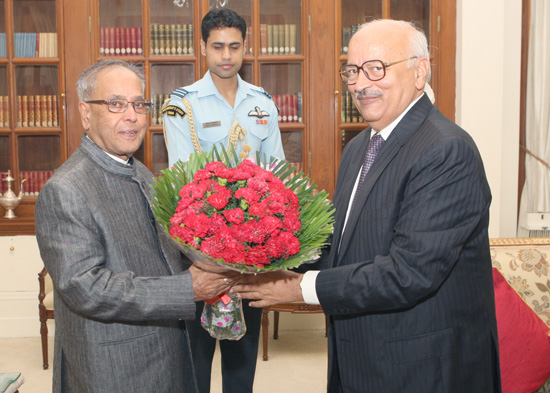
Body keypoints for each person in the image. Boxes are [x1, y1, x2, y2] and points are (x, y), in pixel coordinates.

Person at [233, 19, 501, 393]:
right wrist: (259, 256)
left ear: (419, 71)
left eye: (376, 68)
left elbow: (409, 273)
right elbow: (341, 245)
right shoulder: (359, 147)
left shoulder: (445, 150)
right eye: (353, 71)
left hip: (425, 367)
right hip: (359, 355)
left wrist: (301, 288)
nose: (360, 84)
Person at [35, 59, 239, 393]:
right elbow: (87, 288)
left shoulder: (140, 171)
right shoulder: (66, 190)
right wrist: (188, 289)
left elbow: (167, 247)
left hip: (166, 348)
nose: (131, 115)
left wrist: (224, 262)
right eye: (115, 104)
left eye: (139, 104)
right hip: (116, 369)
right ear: (86, 114)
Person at [162, 8, 285, 393]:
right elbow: (186, 179)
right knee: (196, 361)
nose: (226, 55)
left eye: (234, 46)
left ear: (246, 47)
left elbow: (275, 173)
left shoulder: (262, 103)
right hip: (199, 251)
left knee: (241, 360)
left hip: (251, 250)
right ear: (203, 48)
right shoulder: (180, 104)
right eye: (217, 47)